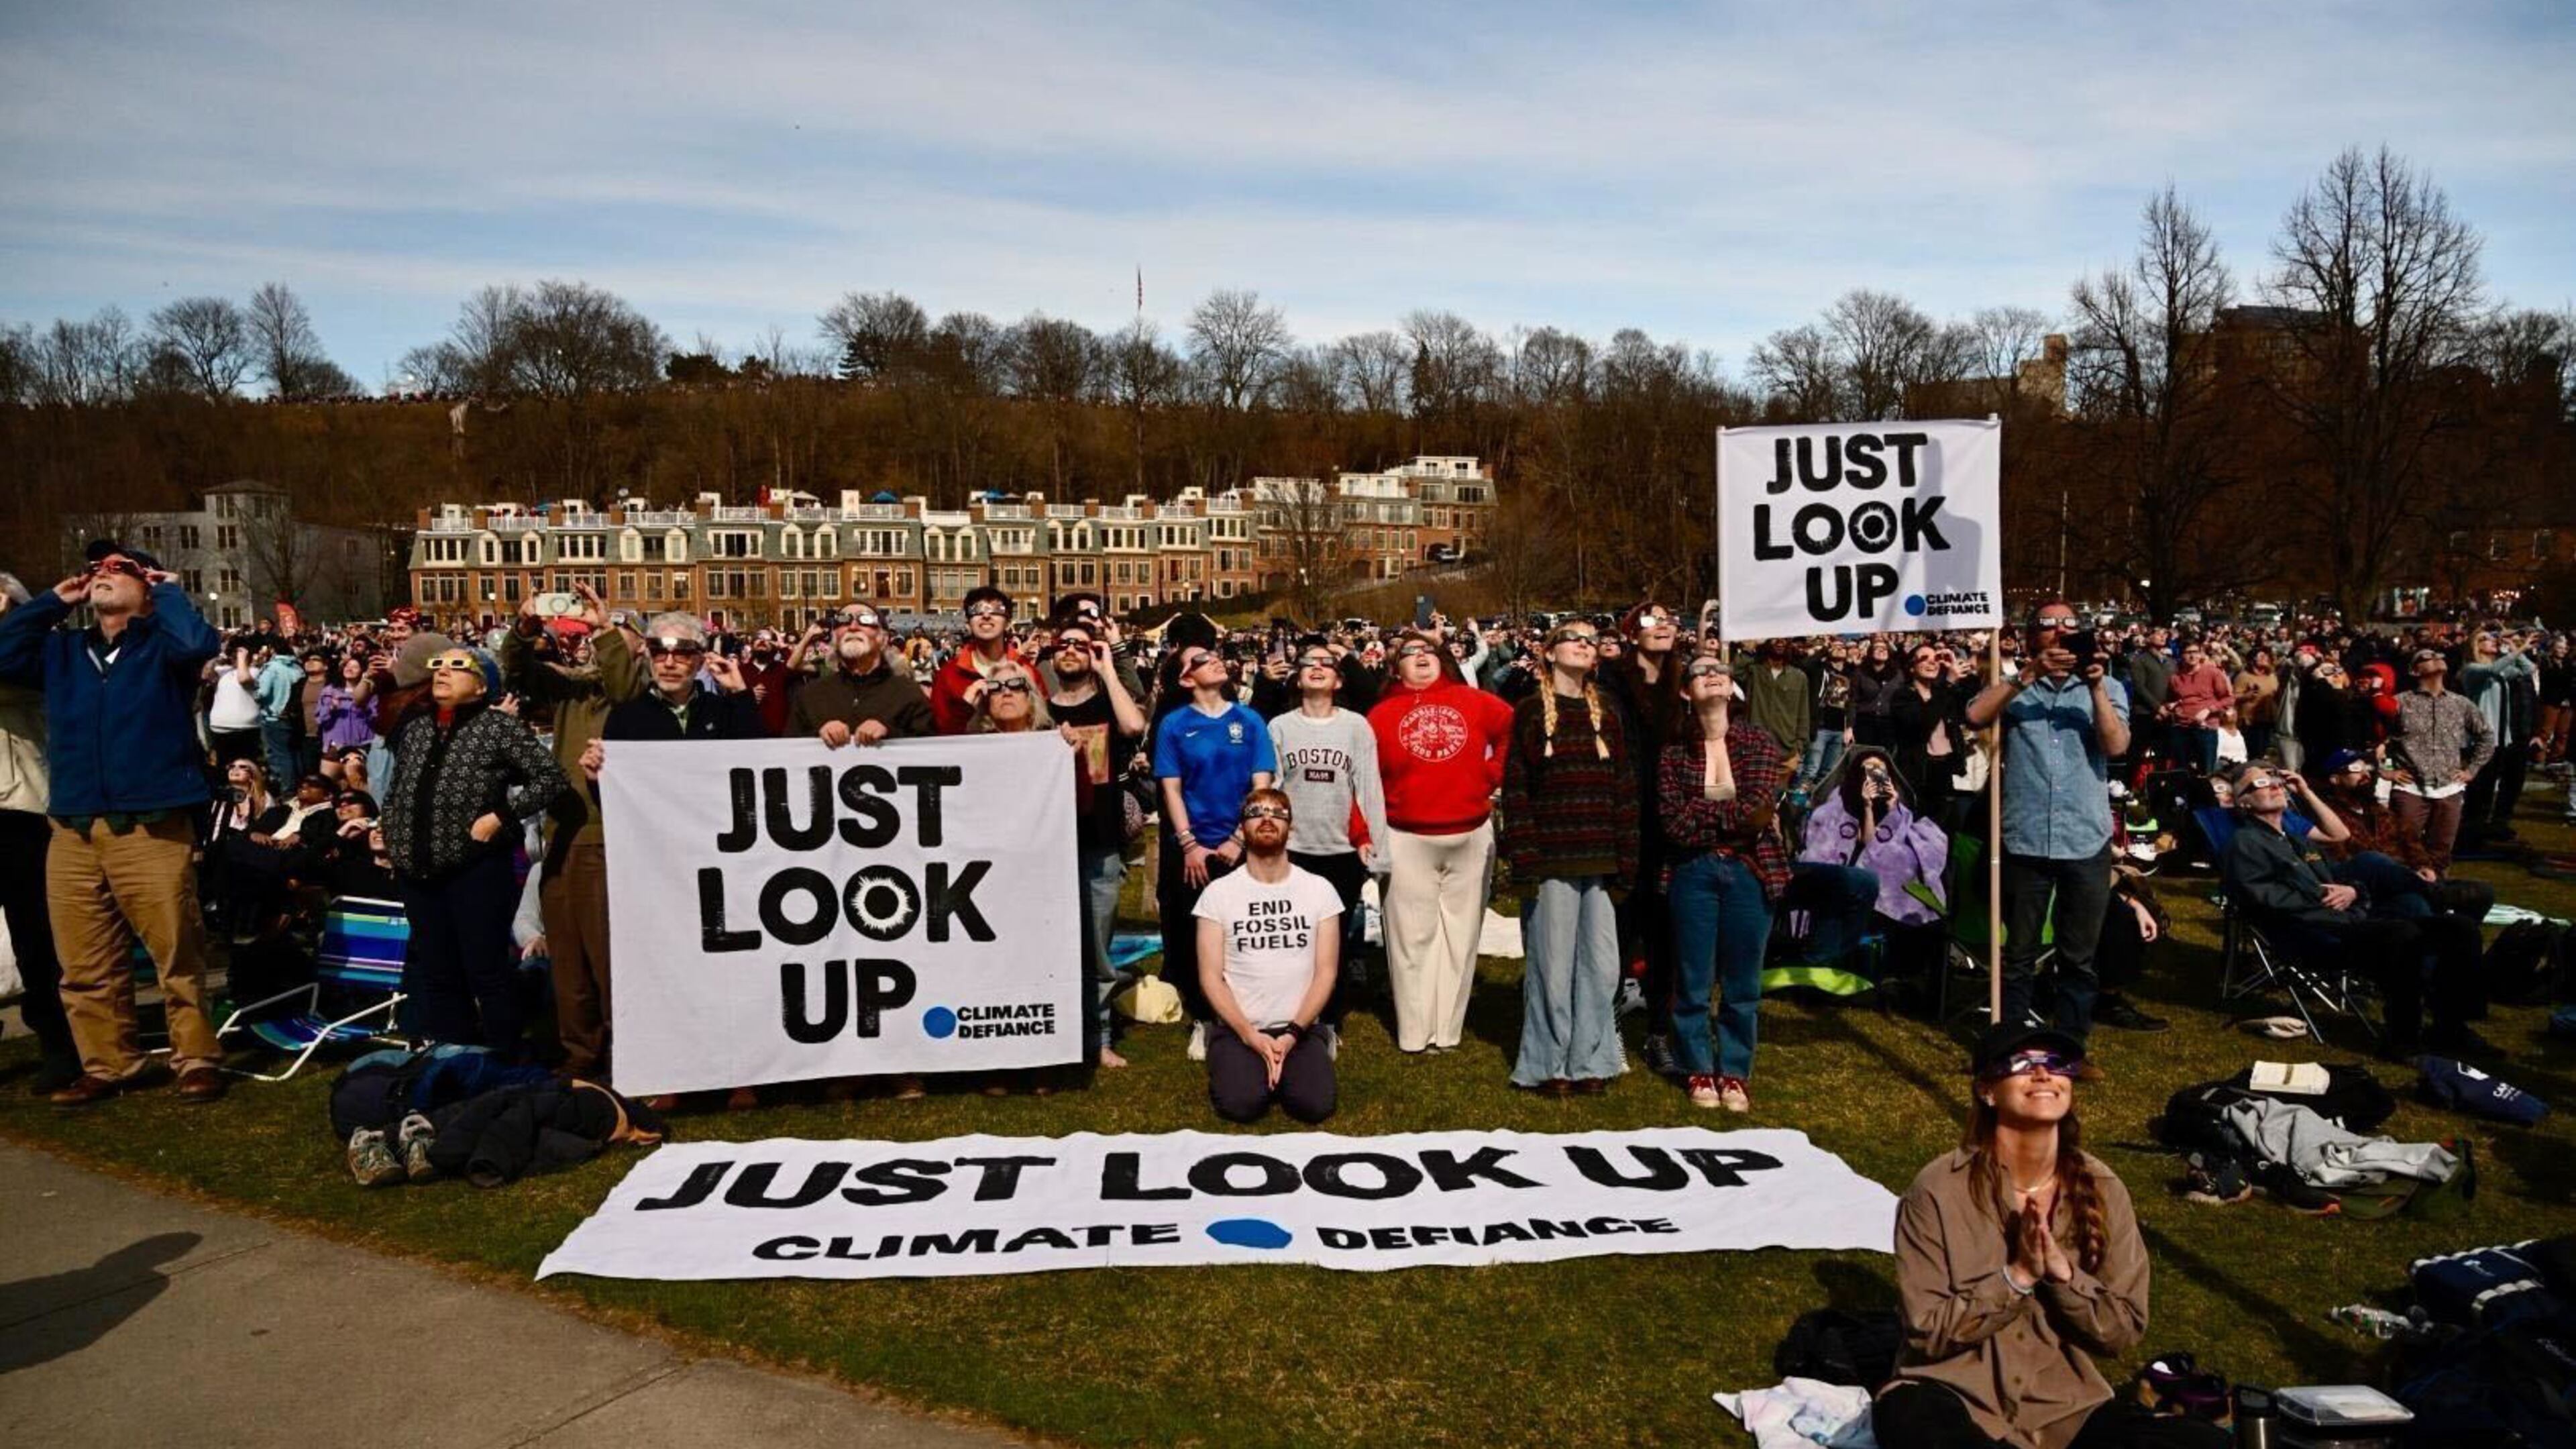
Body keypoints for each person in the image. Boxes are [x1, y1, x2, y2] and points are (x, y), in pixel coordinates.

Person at [1876, 1024, 2220, 1449]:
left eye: (2056, 1064)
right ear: (1987, 1090)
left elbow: (2122, 1331)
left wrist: (2063, 1276)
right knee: (1910, 1420)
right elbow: (1926, 1332)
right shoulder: (1936, 1190)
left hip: (2066, 1407)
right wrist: (2015, 1278)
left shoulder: (2104, 1188)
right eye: (2022, 1064)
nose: (2043, 1075)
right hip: (1954, 1395)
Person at [0, 543, 227, 1107]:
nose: (103, 575)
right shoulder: (65, 651)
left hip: (150, 824)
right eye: (96, 569)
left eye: (119, 569)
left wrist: (169, 590)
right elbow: (3, 656)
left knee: (175, 951)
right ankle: (109, 1063)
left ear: (146, 588)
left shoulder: (163, 649)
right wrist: (52, 601)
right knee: (84, 960)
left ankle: (195, 1058)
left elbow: (200, 644)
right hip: (74, 826)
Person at [580, 612, 765, 1094]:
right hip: (661, 866)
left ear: (699, 659)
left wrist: (740, 694)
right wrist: (596, 777)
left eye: (682, 653)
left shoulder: (724, 710)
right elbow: (619, 799)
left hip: (724, 858)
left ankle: (741, 1073)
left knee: (731, 968)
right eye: (659, 652)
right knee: (668, 967)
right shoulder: (629, 716)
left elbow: (762, 763)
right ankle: (674, 1075)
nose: (669, 662)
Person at [381, 646, 569, 1058]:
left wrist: (500, 815)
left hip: (475, 869)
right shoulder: (416, 728)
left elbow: (551, 778)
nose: (443, 673)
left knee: (487, 971)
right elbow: (397, 789)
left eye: (457, 666)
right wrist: (391, 834)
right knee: (438, 971)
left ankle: (504, 1057)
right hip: (418, 871)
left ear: (482, 684)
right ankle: (455, 1057)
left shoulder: (496, 728)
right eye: (437, 665)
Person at [2222, 763, 2474, 1057]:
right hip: (2312, 933)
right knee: (2403, 934)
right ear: (2244, 802)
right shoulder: (2244, 843)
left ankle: (2452, 1030)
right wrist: (2322, 897)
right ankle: (2403, 1039)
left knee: (2460, 928)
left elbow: (2337, 872)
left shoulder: (2295, 838)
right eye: (2260, 784)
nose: (2274, 786)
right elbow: (2263, 898)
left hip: (2347, 919)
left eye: (2274, 779)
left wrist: (2354, 891)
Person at [1968, 605, 2133, 1040]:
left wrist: (2096, 687)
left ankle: (2070, 1045)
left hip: (2085, 835)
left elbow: (2116, 746)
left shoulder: (2109, 684)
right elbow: (1974, 716)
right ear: (2030, 637)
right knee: (2019, 951)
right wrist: (2028, 675)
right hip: (2026, 835)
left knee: (2078, 955)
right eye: (2048, 626)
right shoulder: (2013, 687)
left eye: (2069, 626)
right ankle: (2012, 1043)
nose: (2059, 633)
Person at [500, 583, 643, 1079]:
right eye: (588, 638)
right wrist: (524, 630)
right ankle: (579, 1054)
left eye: (610, 640)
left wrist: (606, 629)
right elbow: (517, 672)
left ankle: (626, 1052)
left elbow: (624, 687)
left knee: (607, 957)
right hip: (563, 832)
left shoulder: (631, 692)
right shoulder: (568, 691)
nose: (590, 645)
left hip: (603, 833)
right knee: (568, 960)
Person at [1501, 620, 1638, 1095]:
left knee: (1602, 968)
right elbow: (1516, 791)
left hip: (1600, 859)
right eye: (1573, 638)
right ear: (1550, 652)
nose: (1583, 644)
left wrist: (1626, 860)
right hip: (1552, 859)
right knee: (1552, 969)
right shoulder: (1530, 711)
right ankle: (1547, 1063)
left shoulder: (1609, 714)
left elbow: (1624, 789)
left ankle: (1591, 1059)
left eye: (1590, 641)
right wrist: (1525, 859)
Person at [1366, 628, 1515, 1055]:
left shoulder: (1475, 700)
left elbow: (1513, 729)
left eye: (1428, 650)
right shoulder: (1381, 714)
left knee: (1462, 936)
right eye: (1409, 653)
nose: (1421, 656)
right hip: (1406, 833)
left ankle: (1448, 1031)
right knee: (1410, 939)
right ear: (1396, 669)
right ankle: (1414, 1032)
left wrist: (1491, 775)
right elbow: (1365, 777)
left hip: (1470, 831)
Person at [1661, 655, 1788, 1112]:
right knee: (1694, 977)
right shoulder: (1675, 751)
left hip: (1750, 870)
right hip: (1693, 870)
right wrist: (1732, 822)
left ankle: (1735, 1070)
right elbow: (1674, 823)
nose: (1712, 675)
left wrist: (1708, 816)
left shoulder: (1757, 741)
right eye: (1699, 672)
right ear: (1685, 691)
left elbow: (1759, 808)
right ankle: (1696, 1063)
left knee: (1742, 980)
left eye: (1720, 670)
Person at [1153, 638, 1277, 1053]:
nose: (1217, 662)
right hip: (1194, 846)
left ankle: (1247, 1014)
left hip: (1242, 842)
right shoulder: (1173, 724)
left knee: (1243, 934)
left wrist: (1240, 838)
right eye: (1202, 660)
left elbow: (1262, 784)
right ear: (1187, 678)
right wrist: (1190, 845)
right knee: (1196, 936)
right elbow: (1172, 789)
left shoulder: (1250, 720)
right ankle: (1204, 1017)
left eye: (1216, 655)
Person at [1193, 786, 1340, 1124]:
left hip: (1299, 1028)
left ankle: (1312, 1046)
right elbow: (1210, 977)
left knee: (1315, 1106)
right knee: (1241, 1106)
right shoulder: (1218, 894)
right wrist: (1249, 1035)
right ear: (1242, 828)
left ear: (1291, 826)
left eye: (1277, 813)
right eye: (1256, 813)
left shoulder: (1319, 890)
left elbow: (1326, 973)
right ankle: (1219, 1043)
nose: (1267, 819)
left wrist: (1291, 1036)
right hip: (1239, 1028)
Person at [1044, 612, 1148, 1069]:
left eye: (1081, 645)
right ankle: (1055, 1033)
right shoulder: (1038, 707)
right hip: (1045, 843)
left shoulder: (1108, 703)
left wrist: (1107, 667)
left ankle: (1098, 1036)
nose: (1071, 649)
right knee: (1049, 942)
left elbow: (1133, 727)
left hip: (1099, 839)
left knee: (1099, 947)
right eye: (1063, 643)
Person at [1267, 640, 1389, 1027]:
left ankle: (1328, 1021)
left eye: (1326, 663)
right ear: (1297, 679)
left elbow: (1369, 788)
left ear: (1338, 680)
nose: (1317, 668)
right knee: (1291, 936)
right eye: (1308, 664)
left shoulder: (1356, 726)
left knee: (1330, 939)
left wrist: (1376, 845)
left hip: (1340, 850)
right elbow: (1271, 786)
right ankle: (1288, 1015)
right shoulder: (1280, 727)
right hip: (1294, 848)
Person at [1598, 602, 1688, 1075]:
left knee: (1664, 935)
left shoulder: (1683, 684)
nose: (1663, 628)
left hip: (1670, 824)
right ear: (1633, 633)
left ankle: (1658, 1033)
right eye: (1652, 622)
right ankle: (1608, 1024)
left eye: (1670, 621)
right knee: (1618, 928)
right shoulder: (1611, 683)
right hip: (1625, 819)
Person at [0, 573, 78, 1093]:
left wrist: (24, 611)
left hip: (20, 808)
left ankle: (59, 1043)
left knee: (37, 938)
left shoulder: (35, 656)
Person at [1799, 746, 1950, 992]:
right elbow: (1864, 843)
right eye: (1868, 768)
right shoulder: (1841, 802)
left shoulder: (1898, 808)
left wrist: (1892, 810)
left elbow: (1890, 849)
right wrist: (1867, 808)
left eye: (1879, 769)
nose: (1874, 774)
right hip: (1849, 877)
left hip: (1882, 881)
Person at [2383, 647, 2491, 873]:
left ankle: (2438, 898)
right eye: (2426, 657)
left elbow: (2486, 736)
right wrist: (2386, 772)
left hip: (2449, 789)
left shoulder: (2461, 704)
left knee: (2441, 853)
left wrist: (2471, 770)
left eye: (2438, 656)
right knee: (2402, 848)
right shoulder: (2399, 703)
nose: (2435, 659)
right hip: (2410, 789)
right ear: (2415, 671)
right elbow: (2373, 741)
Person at [789, 603, 936, 745]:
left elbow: (932, 755)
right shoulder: (810, 696)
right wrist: (818, 737)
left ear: (884, 639)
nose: (853, 627)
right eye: (843, 620)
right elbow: (787, 753)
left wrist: (891, 735)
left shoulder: (908, 694)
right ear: (834, 638)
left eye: (866, 620)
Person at [2457, 629, 2537, 850]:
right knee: (2479, 790)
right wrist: (2520, 648)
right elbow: (2492, 668)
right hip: (2481, 739)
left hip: (2501, 738)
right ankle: (2468, 835)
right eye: (2485, 639)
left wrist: (2513, 646)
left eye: (2492, 638)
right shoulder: (2471, 670)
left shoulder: (2499, 672)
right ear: (2475, 646)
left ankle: (2479, 834)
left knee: (2489, 788)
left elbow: (2528, 669)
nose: (2492, 641)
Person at [928, 585, 1022, 734]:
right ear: (968, 624)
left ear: (1008, 623)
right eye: (976, 610)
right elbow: (937, 734)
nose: (986, 615)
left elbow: (1044, 724)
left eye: (997, 609)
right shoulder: (948, 676)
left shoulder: (1026, 670)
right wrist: (964, 709)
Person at [2160, 642, 2233, 776]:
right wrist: (2172, 705)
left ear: (2201, 655)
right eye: (2188, 653)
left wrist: (2209, 710)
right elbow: (2170, 700)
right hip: (2181, 727)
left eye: (2195, 652)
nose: (2192, 656)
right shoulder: (2175, 678)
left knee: (2206, 772)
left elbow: (2228, 699)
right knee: (2181, 771)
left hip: (2205, 728)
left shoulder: (2213, 673)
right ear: (2182, 656)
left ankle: (2205, 796)